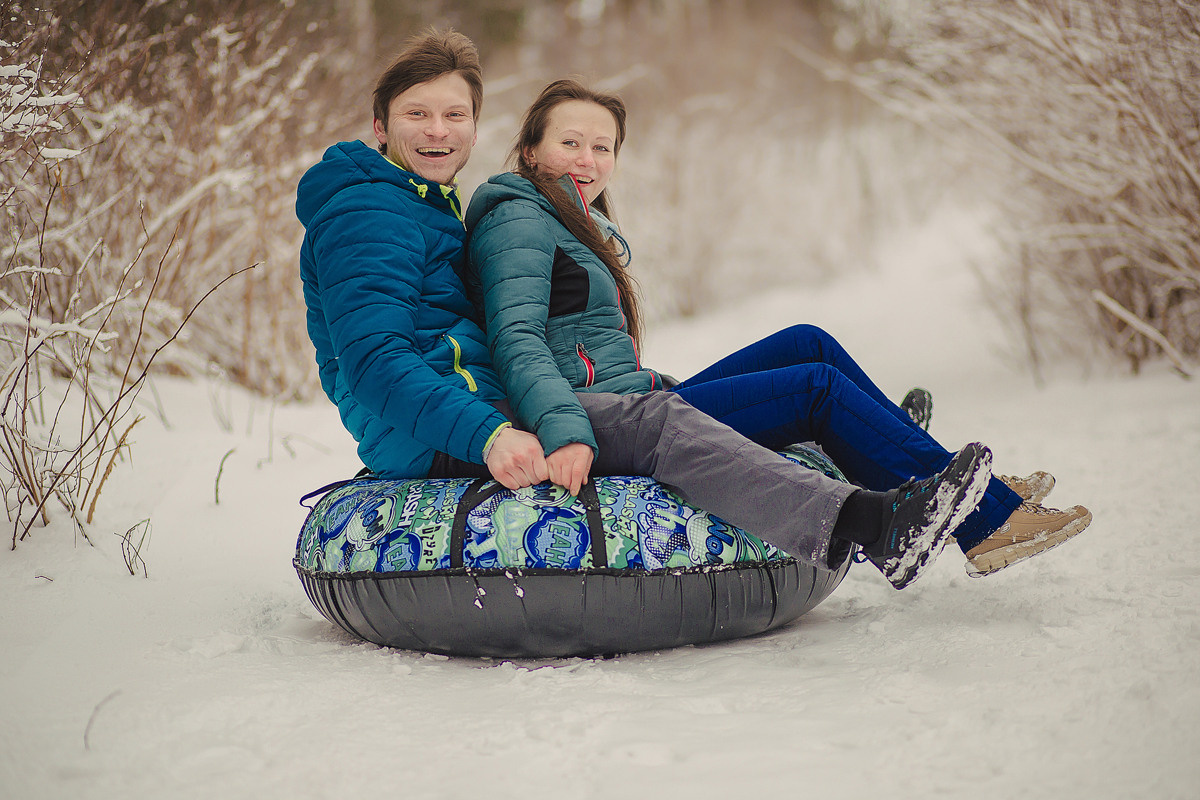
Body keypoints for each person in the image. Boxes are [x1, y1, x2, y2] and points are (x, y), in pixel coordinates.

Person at [296, 28, 995, 592]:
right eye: (418, 113)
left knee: (747, 371)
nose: (438, 131)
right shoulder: (370, 211)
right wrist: (488, 435)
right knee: (662, 420)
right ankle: (872, 525)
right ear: (381, 123)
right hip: (440, 437)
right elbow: (376, 362)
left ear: (478, 127)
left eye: (455, 115)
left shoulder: (422, 206)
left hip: (480, 410)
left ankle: (903, 472)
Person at [464, 78, 1093, 579]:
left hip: (635, 395)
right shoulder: (520, 220)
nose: (588, 159)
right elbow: (516, 341)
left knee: (807, 341)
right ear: (530, 151)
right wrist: (567, 428)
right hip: (603, 418)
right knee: (814, 387)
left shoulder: (570, 222)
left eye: (603, 147)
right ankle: (985, 522)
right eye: (570, 143)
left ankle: (938, 473)